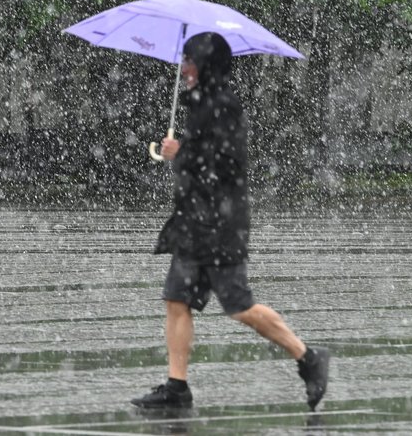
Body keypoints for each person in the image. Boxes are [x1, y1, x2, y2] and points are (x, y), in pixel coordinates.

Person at [132, 32, 330, 411]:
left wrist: (182, 151)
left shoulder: (224, 105)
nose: (184, 68)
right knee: (176, 299)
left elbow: (227, 164)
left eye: (190, 60)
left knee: (239, 306)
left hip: (220, 226)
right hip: (194, 221)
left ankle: (308, 358)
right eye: (184, 59)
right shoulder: (198, 103)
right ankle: (177, 388)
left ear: (207, 65)